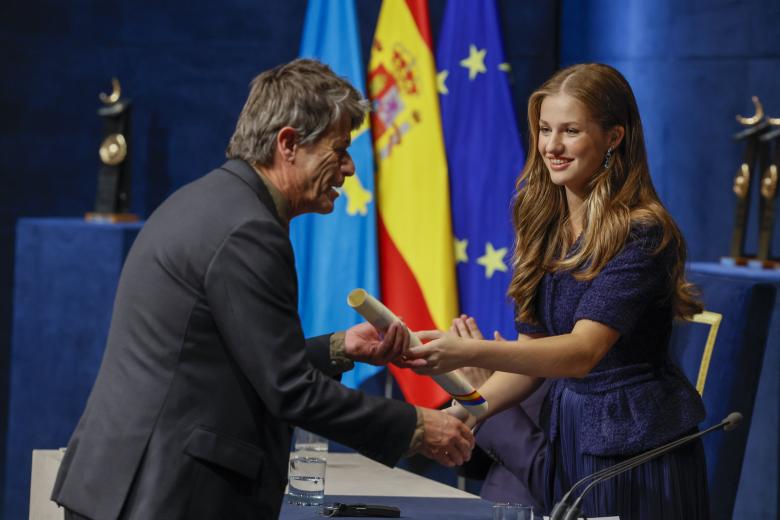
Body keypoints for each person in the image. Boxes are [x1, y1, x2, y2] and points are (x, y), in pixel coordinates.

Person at [52, 59, 474, 520]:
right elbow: (288, 389)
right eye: (340, 149)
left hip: (128, 487)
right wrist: (415, 426)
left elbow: (226, 364)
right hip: (164, 496)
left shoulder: (205, 200)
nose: (351, 168)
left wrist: (340, 348)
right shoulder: (249, 230)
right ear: (288, 143)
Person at [409, 63, 709, 519]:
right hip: (568, 430)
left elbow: (581, 352)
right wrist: (469, 411)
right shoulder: (542, 222)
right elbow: (534, 358)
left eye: (570, 131)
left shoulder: (642, 232)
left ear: (614, 137)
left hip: (632, 446)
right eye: (545, 129)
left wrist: (468, 355)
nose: (551, 146)